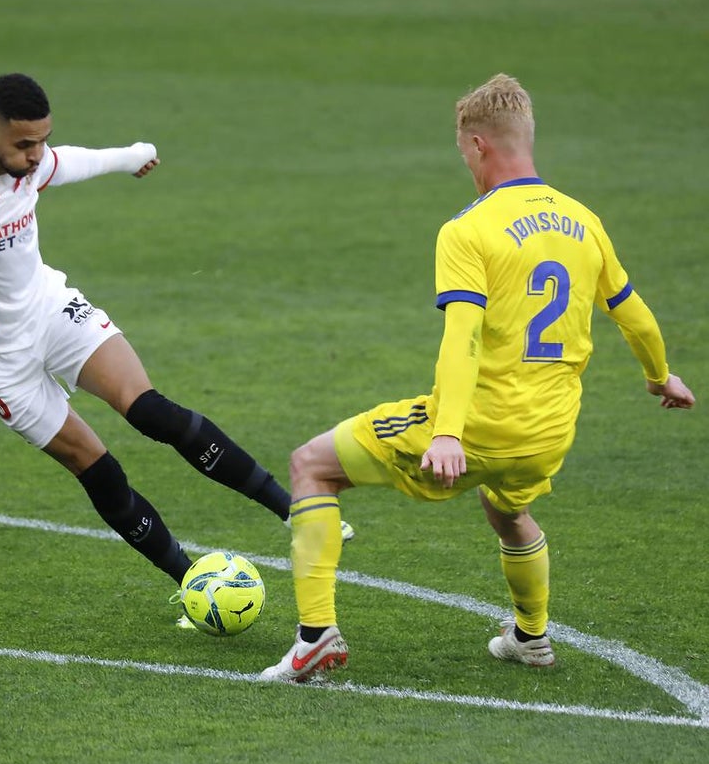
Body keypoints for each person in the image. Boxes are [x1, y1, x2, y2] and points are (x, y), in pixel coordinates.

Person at [261, 73, 696, 682]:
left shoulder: (468, 229)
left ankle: (315, 637)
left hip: (480, 426)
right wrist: (660, 377)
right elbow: (635, 314)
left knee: (311, 465)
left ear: (477, 144)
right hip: (548, 433)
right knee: (507, 510)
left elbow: (462, 338)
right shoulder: (584, 220)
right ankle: (531, 637)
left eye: (463, 150)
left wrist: (446, 433)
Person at [0, 73, 349, 610]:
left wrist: (133, 156)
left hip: (48, 309)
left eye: (42, 141)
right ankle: (194, 585)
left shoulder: (31, 160)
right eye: (24, 144)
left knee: (152, 411)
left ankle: (293, 509)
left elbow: (71, 162)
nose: (35, 156)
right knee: (98, 468)